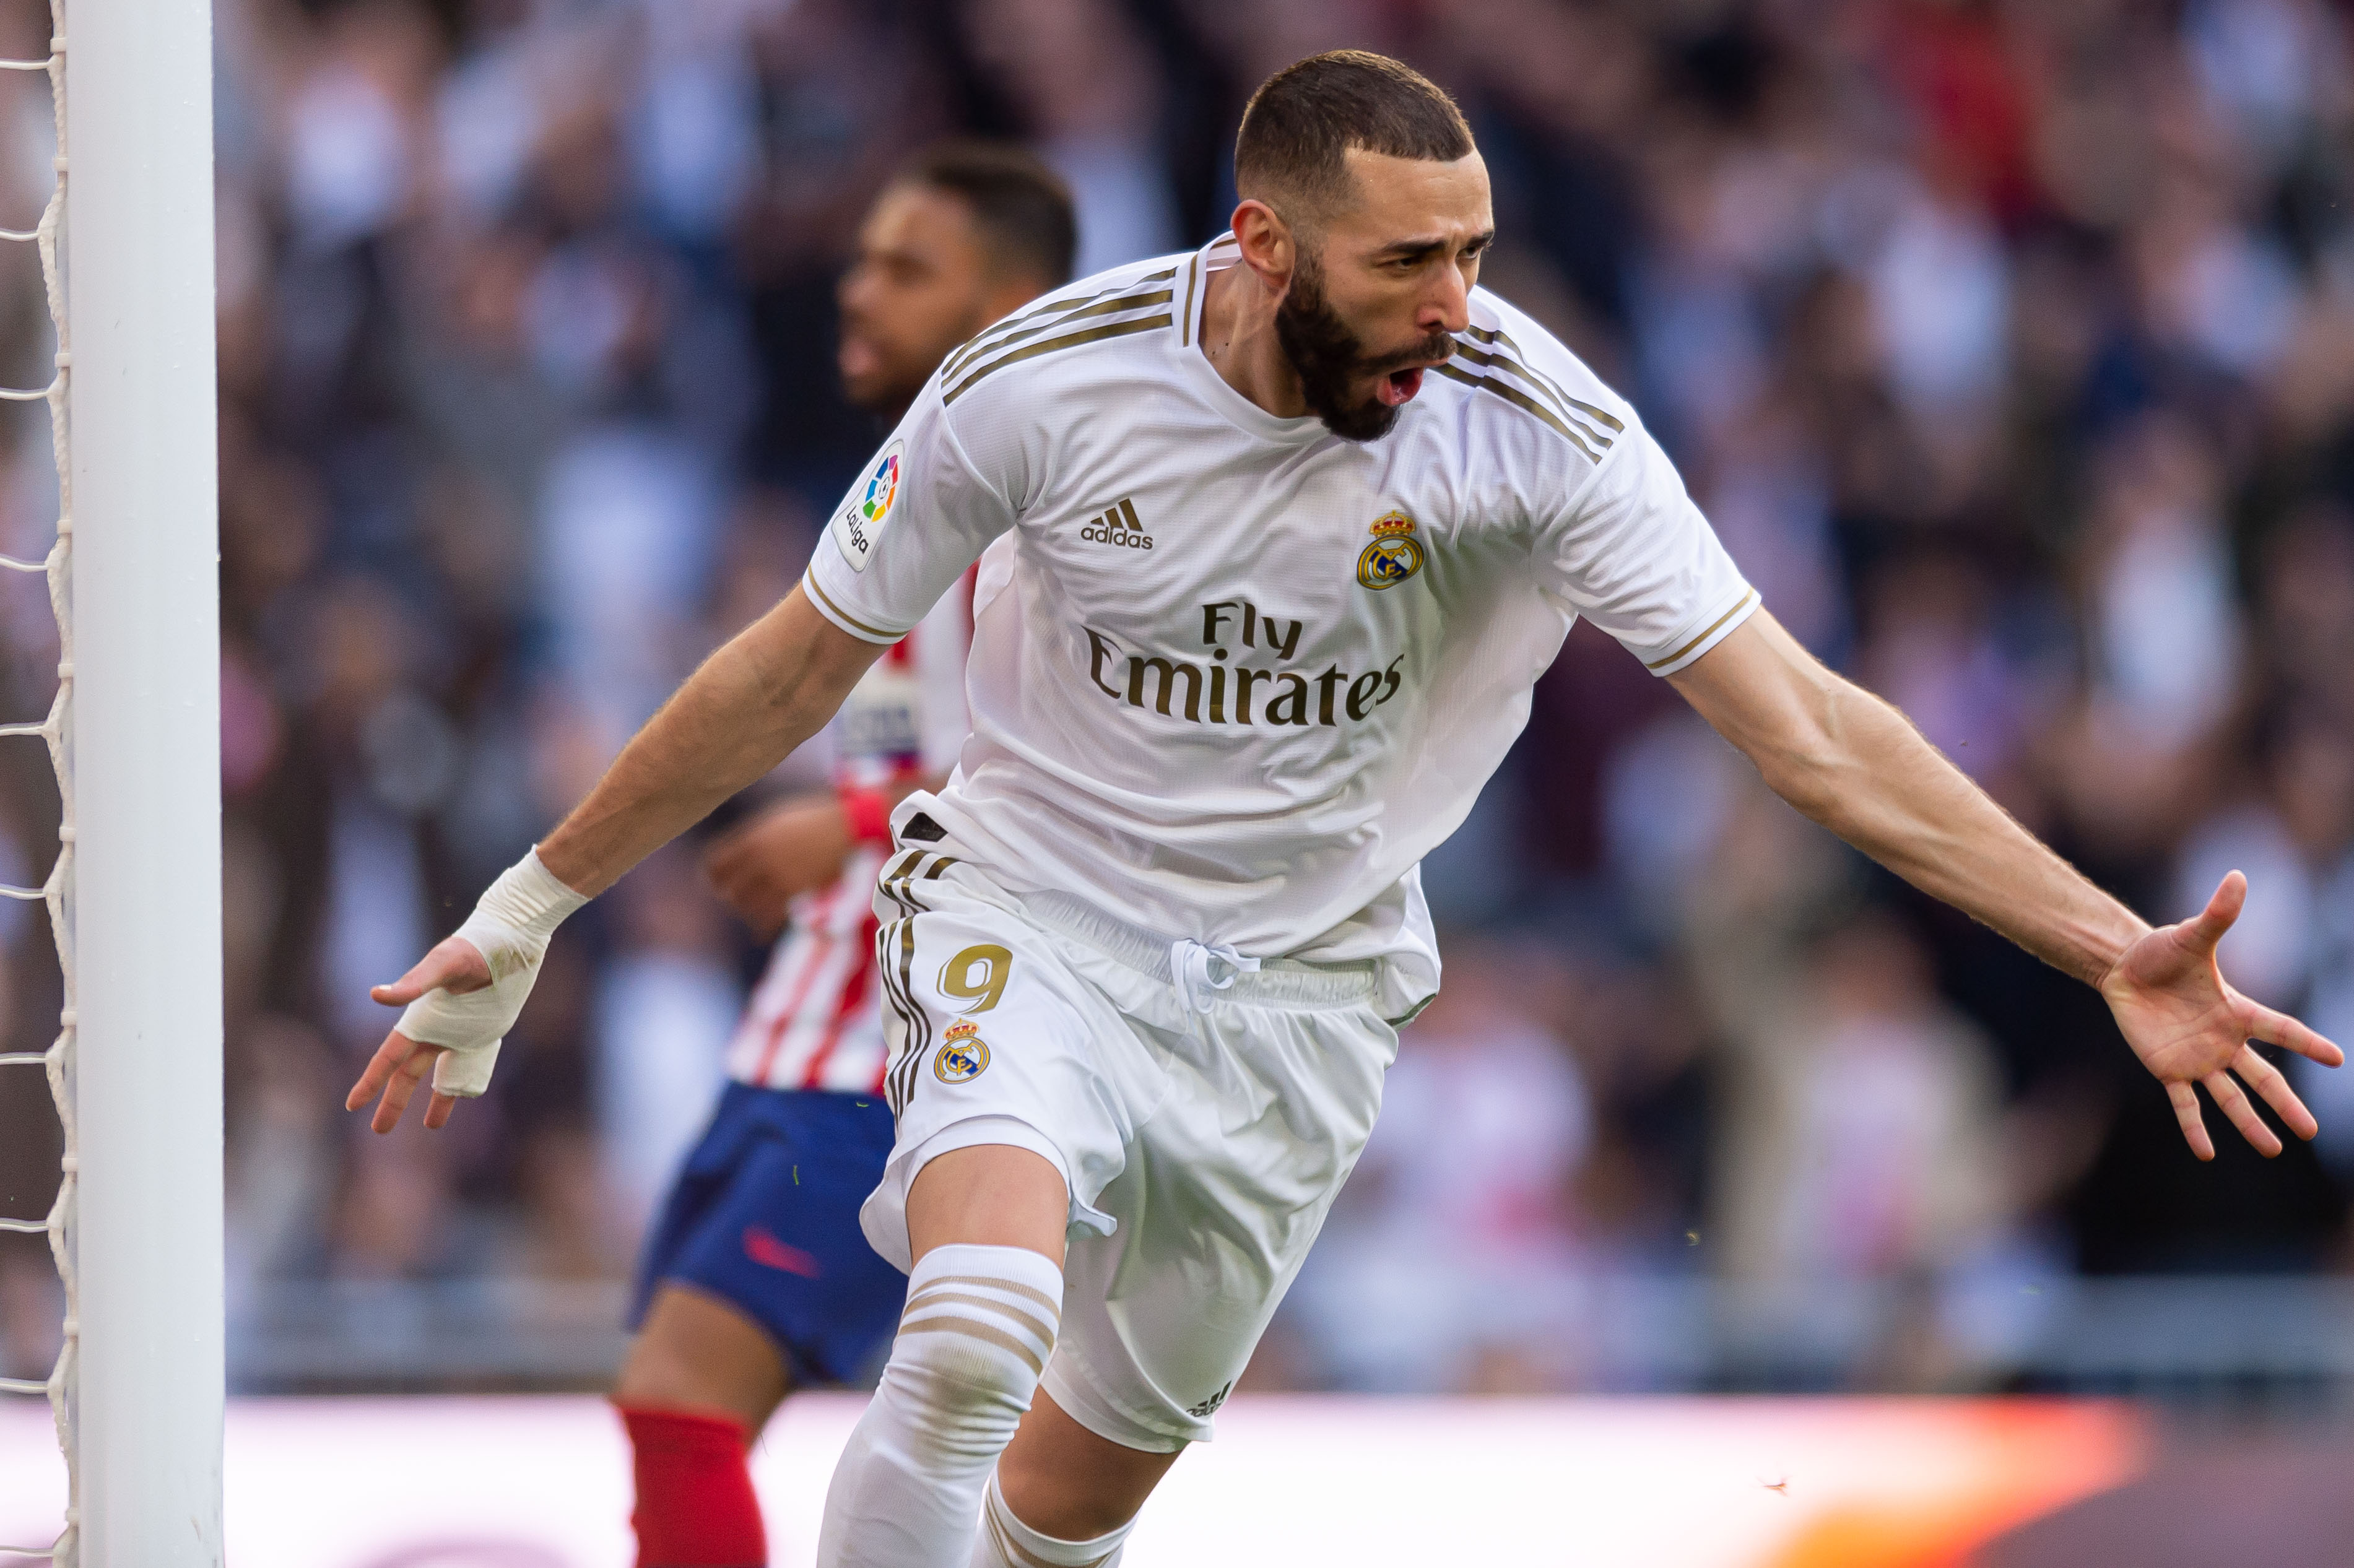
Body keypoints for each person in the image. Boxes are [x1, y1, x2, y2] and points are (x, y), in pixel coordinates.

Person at [349, 51, 2342, 1568]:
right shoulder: (1042, 383)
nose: (1456, 300)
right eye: (1411, 260)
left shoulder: (1536, 432)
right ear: (1266, 244)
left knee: (1064, 1504)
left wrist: (2106, 945)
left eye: (1475, 251)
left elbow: (1807, 728)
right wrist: (530, 905)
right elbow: (793, 655)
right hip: (1030, 904)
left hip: (1304, 989)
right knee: (966, 1332)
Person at [604, 142, 1074, 1568]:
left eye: (904, 268)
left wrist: (850, 823)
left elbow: (1080, 765)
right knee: (665, 1408)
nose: (857, 290)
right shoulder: (896, 482)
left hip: (909, 1050)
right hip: (799, 1022)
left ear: (1008, 302)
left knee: (684, 1402)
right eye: (862, 257)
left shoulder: (1046, 509)